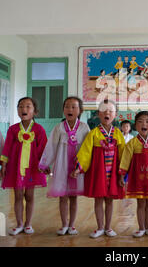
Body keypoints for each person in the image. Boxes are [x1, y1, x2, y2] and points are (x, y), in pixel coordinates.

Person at [72, 99, 125, 238]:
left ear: (115, 114)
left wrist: (122, 174)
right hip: (99, 173)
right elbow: (85, 152)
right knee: (98, 200)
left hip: (112, 173)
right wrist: (79, 168)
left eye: (111, 110)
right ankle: (100, 227)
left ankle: (108, 227)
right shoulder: (93, 133)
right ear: (98, 114)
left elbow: (124, 155)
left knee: (109, 201)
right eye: (104, 110)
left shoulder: (118, 134)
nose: (107, 113)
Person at [39, 97, 90, 235]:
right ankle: (64, 224)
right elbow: (51, 147)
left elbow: (88, 148)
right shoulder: (59, 128)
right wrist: (45, 163)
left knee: (73, 197)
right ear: (63, 110)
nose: (70, 109)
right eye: (67, 106)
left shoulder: (85, 128)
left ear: (80, 110)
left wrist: (84, 166)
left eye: (74, 107)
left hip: (76, 168)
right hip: (62, 166)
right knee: (63, 196)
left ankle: (72, 225)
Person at [0, 97, 47, 235]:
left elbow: (43, 149)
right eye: (20, 106)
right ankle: (19, 223)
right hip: (16, 168)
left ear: (34, 111)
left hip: (32, 168)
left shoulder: (39, 129)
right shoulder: (13, 129)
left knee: (29, 196)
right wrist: (3, 165)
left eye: (28, 106)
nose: (23, 109)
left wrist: (44, 164)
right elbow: (7, 148)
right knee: (18, 196)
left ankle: (28, 224)